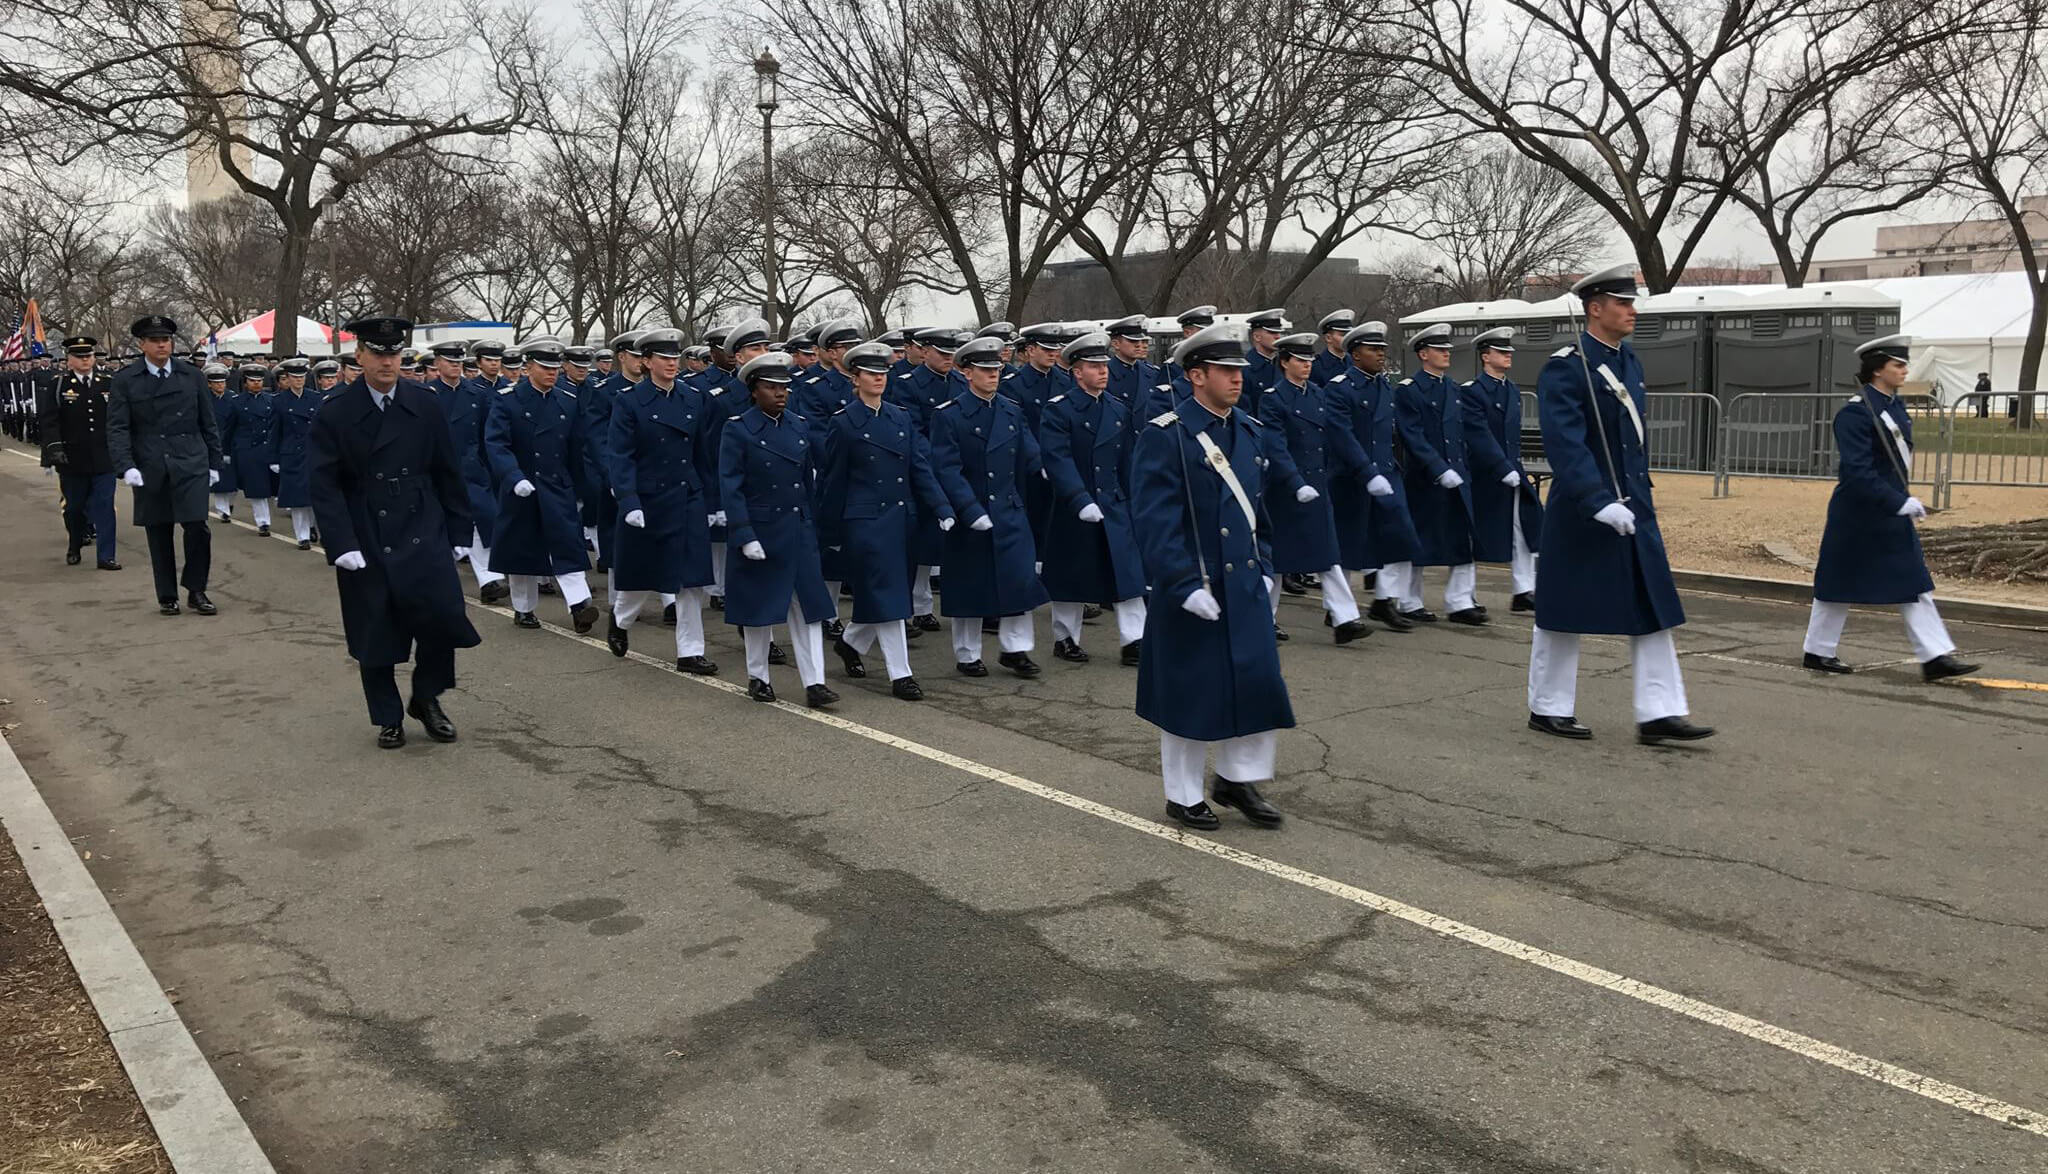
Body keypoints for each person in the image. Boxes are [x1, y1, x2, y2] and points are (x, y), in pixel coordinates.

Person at [1527, 264, 1714, 744]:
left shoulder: (1628, 361)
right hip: (1583, 510)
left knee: (1652, 607)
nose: (1633, 310)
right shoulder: (1567, 366)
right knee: (1563, 611)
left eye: (1633, 302)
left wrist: (1635, 497)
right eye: (1623, 302)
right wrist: (1597, 500)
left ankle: (1659, 712)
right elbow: (1567, 445)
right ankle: (1547, 706)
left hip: (1633, 507)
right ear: (1595, 308)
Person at [1131, 321, 1297, 831]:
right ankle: (1181, 794)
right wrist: (1181, 584)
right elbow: (1156, 521)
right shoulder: (1167, 436)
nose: (1237, 378)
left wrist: (1266, 566)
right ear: (1196, 375)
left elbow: (1259, 513)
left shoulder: (1249, 431)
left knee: (1256, 685)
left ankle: (1237, 779)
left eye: (1239, 370)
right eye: (1225, 370)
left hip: (1242, 585)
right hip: (1195, 587)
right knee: (1190, 694)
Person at [307, 316, 481, 750]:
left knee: (441, 620)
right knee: (376, 628)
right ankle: (388, 717)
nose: (387, 362)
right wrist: (341, 543)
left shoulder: (424, 403)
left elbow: (448, 470)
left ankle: (426, 698)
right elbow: (324, 484)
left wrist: (460, 527)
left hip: (422, 520)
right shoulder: (336, 410)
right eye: (378, 353)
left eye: (394, 353)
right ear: (360, 356)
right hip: (367, 525)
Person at [1803, 335, 1978, 682]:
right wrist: (1899, 501)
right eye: (1898, 365)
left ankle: (1935, 656)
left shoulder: (1893, 406)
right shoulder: (1854, 413)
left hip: (1889, 511)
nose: (1904, 370)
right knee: (1836, 583)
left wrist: (1900, 501)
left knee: (1913, 582)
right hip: (1858, 513)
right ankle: (1818, 650)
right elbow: (1857, 472)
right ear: (1877, 369)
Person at [817, 341, 955, 699]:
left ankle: (851, 642)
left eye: (883, 373)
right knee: (889, 594)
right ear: (855, 378)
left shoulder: (899, 416)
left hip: (901, 517)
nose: (878, 379)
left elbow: (918, 468)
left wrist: (941, 507)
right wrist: (829, 531)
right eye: (871, 374)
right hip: (864, 521)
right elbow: (833, 482)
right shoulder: (844, 423)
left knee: (887, 594)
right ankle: (901, 674)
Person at [720, 352, 840, 707]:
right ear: (754, 390)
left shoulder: (798, 425)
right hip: (761, 529)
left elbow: (807, 482)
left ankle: (815, 682)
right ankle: (758, 676)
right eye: (772, 387)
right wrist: (743, 533)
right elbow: (731, 485)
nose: (781, 393)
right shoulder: (737, 428)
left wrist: (813, 525)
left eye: (785, 387)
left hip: (797, 528)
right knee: (760, 610)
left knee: (809, 608)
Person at [929, 335, 1048, 677]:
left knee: (1019, 581)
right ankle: (967, 653)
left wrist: (1046, 468)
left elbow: (1029, 450)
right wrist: (969, 510)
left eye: (995, 369)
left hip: (1009, 508)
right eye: (984, 369)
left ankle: (1016, 649)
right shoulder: (949, 416)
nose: (992, 375)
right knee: (971, 586)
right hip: (974, 511)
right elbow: (947, 469)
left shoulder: (1011, 410)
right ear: (966, 373)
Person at [604, 328, 720, 675]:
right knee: (642, 575)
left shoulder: (693, 398)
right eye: (664, 358)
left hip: (686, 496)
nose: (672, 364)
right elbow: (620, 455)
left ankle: (690, 651)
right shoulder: (629, 401)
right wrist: (629, 500)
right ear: (647, 362)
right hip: (649, 498)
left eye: (675, 358)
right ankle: (621, 619)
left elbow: (703, 454)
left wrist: (711, 500)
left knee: (691, 580)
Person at [1038, 332, 1148, 665]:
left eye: (1103, 365)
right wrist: (1078, 498)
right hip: (1076, 505)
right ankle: (1065, 638)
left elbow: (1128, 458)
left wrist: (1136, 499)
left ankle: (1135, 640)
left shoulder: (1117, 408)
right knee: (1073, 576)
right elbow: (1057, 459)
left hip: (1113, 502)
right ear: (1076, 372)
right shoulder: (1059, 411)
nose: (1102, 371)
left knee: (1128, 574)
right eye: (1093, 366)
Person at [1262, 332, 1376, 643]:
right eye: (1300, 360)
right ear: (1285, 363)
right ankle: (1263, 619)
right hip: (1286, 488)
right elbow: (1276, 446)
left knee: (1328, 554)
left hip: (1317, 483)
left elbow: (1330, 438)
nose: (1307, 365)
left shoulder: (1317, 394)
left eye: (1310, 360)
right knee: (1276, 560)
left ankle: (1344, 619)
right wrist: (1295, 482)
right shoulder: (1273, 398)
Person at [106, 315, 223, 616]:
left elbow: (207, 421)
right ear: (141, 344)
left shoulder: (191, 375)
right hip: (150, 461)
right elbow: (118, 427)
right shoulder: (125, 380)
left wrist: (213, 461)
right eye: (155, 340)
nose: (162, 344)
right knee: (159, 531)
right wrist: (126, 465)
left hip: (190, 459)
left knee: (198, 526)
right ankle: (167, 595)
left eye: (166, 339)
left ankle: (196, 589)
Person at [483, 337, 601, 632]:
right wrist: (513, 477)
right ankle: (523, 608)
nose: (552, 373)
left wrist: (581, 488)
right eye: (544, 367)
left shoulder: (567, 401)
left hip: (556, 485)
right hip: (522, 485)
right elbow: (496, 444)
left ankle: (580, 605)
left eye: (555, 367)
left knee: (568, 545)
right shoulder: (507, 399)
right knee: (522, 551)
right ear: (528, 367)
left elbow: (577, 448)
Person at [1324, 322, 1414, 631]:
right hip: (1352, 476)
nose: (1381, 355)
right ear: (1355, 354)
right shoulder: (1339, 388)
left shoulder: (1384, 385)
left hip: (1386, 472)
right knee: (1350, 543)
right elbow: (1341, 436)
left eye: (1383, 350)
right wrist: (1366, 472)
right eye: (1373, 349)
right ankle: (1339, 606)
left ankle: (1383, 600)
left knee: (1398, 537)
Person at [1393, 322, 1482, 624]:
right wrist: (1438, 468)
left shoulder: (1454, 389)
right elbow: (1412, 435)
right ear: (1423, 354)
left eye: (1447, 349)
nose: (1447, 354)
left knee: (1463, 539)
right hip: (1425, 478)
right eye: (1439, 349)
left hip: (1457, 475)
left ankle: (1459, 601)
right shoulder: (1410, 391)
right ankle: (1408, 600)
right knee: (1419, 541)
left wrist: (1463, 468)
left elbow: (1461, 434)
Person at [1459, 326, 1542, 612]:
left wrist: (1512, 467)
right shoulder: (1473, 392)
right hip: (1486, 474)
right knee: (1475, 536)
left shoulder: (1511, 389)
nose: (1508, 356)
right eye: (1501, 351)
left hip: (1512, 470)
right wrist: (1499, 466)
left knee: (1525, 528)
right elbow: (1478, 434)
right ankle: (1463, 595)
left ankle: (1524, 590)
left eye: (1509, 351)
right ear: (1485, 356)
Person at [39, 335, 121, 570]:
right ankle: (75, 544)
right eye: (80, 357)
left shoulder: (107, 382)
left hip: (103, 456)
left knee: (105, 505)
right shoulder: (59, 385)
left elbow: (118, 418)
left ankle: (106, 556)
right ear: (69, 360)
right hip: (72, 458)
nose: (85, 360)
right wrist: (54, 449)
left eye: (89, 356)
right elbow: (49, 420)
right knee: (74, 507)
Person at [450, 342, 509, 603]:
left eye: (457, 361)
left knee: (482, 518)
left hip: (476, 466)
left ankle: (489, 579)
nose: (454, 366)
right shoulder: (430, 393)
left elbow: (489, 433)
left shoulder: (477, 392)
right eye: (449, 361)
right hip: (443, 468)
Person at [266, 357, 322, 548]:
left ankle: (312, 526)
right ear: (287, 378)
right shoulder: (279, 401)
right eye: (294, 377)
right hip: (292, 453)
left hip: (313, 451)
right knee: (298, 499)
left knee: (314, 496)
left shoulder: (315, 398)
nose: (299, 380)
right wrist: (274, 458)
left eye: (302, 377)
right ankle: (302, 536)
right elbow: (275, 431)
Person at [227, 362, 279, 535]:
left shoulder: (271, 400)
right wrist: (227, 451)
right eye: (252, 380)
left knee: (271, 488)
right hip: (249, 448)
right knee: (257, 489)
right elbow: (229, 429)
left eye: (259, 380)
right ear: (245, 382)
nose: (256, 383)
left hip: (268, 446)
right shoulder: (236, 402)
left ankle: (270, 516)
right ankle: (263, 522)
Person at [204, 364, 237, 519]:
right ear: (209, 384)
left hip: (231, 439)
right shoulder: (205, 399)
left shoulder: (232, 398)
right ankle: (223, 510)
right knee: (220, 477)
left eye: (222, 382)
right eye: (216, 382)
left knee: (233, 478)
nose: (220, 385)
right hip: (213, 440)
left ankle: (229, 503)